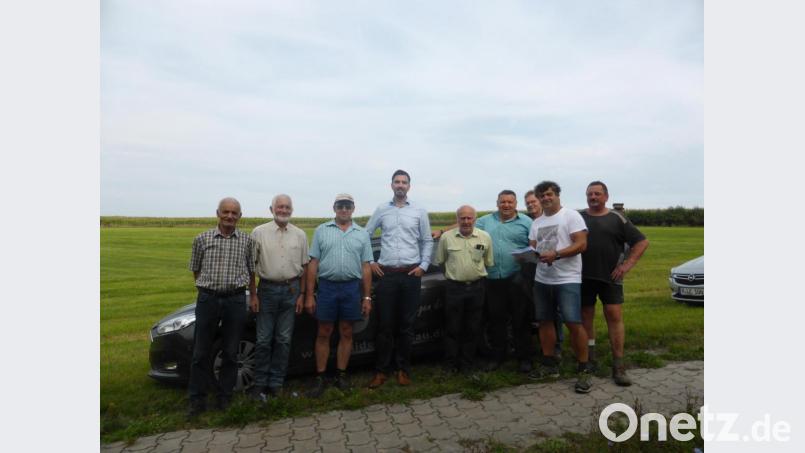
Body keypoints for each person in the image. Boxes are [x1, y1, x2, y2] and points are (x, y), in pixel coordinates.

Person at [365, 170, 434, 389]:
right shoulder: (382, 210)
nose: (400, 185)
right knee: (384, 326)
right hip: (387, 276)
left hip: (410, 276)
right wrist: (370, 261)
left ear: (409, 187)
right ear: (391, 185)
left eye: (404, 182)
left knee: (406, 326)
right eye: (397, 182)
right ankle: (381, 371)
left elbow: (427, 240)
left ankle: (403, 369)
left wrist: (423, 266)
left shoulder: (419, 211)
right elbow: (365, 235)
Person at [187, 197, 255, 417]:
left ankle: (224, 397)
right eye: (226, 212)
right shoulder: (202, 239)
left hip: (235, 300)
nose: (230, 216)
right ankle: (197, 399)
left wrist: (253, 294)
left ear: (240, 216)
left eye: (234, 213)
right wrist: (209, 289)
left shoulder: (246, 241)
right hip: (208, 299)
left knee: (230, 351)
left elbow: (251, 272)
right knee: (200, 351)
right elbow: (195, 270)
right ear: (218, 213)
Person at [580, 181, 649, 386]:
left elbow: (642, 241)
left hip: (612, 277)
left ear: (606, 197)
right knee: (586, 317)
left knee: (614, 316)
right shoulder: (579, 217)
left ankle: (618, 365)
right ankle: (590, 359)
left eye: (597, 194)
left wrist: (627, 264)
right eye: (590, 194)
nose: (593, 197)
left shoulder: (617, 218)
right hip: (583, 276)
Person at [304, 194, 373, 398]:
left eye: (348, 206)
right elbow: (313, 263)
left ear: (353, 208)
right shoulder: (322, 231)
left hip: (351, 288)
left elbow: (366, 266)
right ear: (334, 207)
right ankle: (320, 377)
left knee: (346, 332)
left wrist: (367, 297)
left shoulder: (362, 234)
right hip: (327, 287)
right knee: (324, 331)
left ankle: (341, 375)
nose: (344, 209)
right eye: (340, 205)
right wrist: (309, 294)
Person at [527, 181, 593, 394]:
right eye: (542, 196)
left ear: (557, 195)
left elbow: (581, 244)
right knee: (545, 322)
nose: (545, 198)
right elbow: (534, 246)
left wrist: (556, 254)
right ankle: (550, 365)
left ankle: (583, 368)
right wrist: (528, 255)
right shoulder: (537, 222)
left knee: (573, 323)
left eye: (549, 194)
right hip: (542, 278)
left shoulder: (571, 216)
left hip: (567, 279)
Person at [248, 194, 309, 402]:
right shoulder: (258, 233)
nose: (283, 210)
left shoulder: (299, 235)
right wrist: (253, 294)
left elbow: (305, 267)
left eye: (287, 207)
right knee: (264, 340)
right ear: (271, 209)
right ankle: (259, 384)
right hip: (267, 290)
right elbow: (250, 267)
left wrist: (302, 294)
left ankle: (276, 384)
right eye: (279, 207)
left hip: (291, 291)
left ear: (292, 210)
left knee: (283, 339)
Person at [475, 190, 534, 373]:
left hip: (517, 278)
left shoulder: (526, 222)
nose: (506, 205)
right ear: (497, 203)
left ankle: (524, 358)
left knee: (520, 320)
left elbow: (535, 246)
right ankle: (498, 356)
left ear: (516, 204)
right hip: (492, 279)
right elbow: (465, 224)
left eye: (510, 202)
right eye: (503, 202)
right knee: (496, 319)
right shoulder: (485, 221)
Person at [435, 205, 494, 373]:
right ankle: (450, 365)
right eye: (462, 218)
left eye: (469, 218)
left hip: (477, 288)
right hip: (454, 289)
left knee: (473, 327)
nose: (466, 221)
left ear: (475, 219)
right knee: (452, 328)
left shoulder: (485, 237)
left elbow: (488, 262)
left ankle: (468, 363)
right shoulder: (447, 238)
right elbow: (441, 262)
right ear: (457, 219)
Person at [522, 189, 564, 359]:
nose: (531, 205)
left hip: (553, 270)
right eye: (528, 203)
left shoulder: (553, 219)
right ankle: (542, 345)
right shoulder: (526, 221)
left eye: (534, 201)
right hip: (531, 271)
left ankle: (557, 346)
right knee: (539, 310)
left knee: (556, 310)